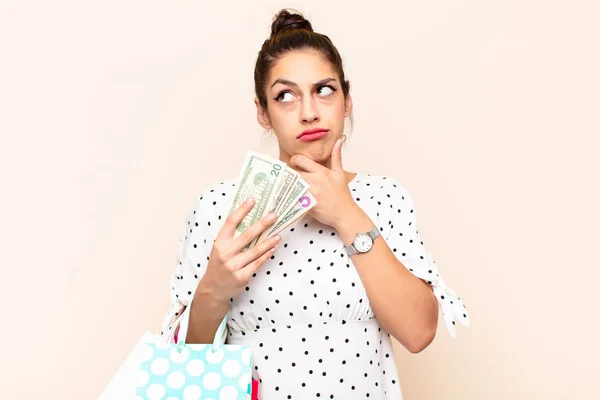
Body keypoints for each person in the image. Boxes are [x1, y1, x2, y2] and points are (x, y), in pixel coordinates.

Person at [160, 8, 469, 399]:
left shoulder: (384, 198)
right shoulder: (219, 207)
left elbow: (419, 332)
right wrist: (214, 289)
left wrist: (347, 214)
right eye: (285, 96)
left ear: (347, 99)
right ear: (262, 111)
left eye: (324, 90)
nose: (309, 113)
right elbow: (182, 372)